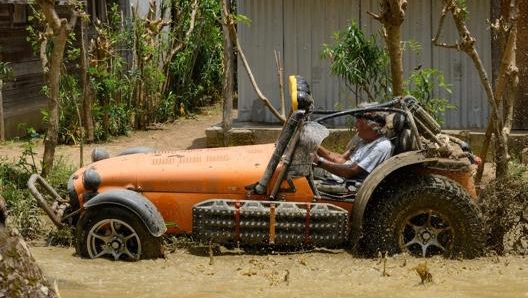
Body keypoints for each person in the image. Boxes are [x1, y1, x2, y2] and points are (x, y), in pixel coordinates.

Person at [313, 112, 393, 193]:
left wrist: (319, 161)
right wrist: (316, 147)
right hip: (340, 176)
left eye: (359, 122)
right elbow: (341, 159)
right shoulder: (363, 141)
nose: (355, 126)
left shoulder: (381, 146)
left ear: (372, 126)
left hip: (351, 185)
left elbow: (351, 170)